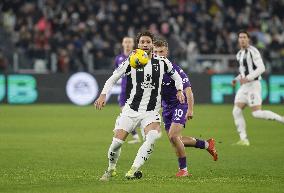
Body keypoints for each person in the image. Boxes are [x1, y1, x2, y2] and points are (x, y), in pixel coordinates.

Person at [95, 31, 185, 181]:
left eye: (148, 42)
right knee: (116, 144)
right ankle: (111, 169)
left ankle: (133, 169)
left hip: (151, 111)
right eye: (142, 42)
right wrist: (103, 94)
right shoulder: (131, 61)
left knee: (151, 137)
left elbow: (177, 77)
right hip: (131, 110)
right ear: (138, 45)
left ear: (152, 44)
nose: (145, 44)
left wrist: (180, 90)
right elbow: (113, 78)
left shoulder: (162, 62)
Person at [153, 39, 218, 177]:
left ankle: (184, 170)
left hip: (179, 105)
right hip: (166, 109)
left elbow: (188, 90)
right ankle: (207, 144)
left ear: (167, 52)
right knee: (175, 140)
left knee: (173, 136)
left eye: (161, 51)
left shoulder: (175, 70)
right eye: (156, 52)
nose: (159, 54)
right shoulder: (152, 70)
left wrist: (190, 109)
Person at [232, 30, 284, 146]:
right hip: (244, 87)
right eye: (240, 37)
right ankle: (244, 139)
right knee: (236, 111)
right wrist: (236, 79)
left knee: (256, 113)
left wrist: (248, 78)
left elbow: (261, 68)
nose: (242, 39)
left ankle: (281, 119)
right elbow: (243, 73)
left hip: (254, 86)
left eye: (244, 37)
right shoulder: (239, 54)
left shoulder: (253, 51)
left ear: (248, 39)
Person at [114, 36, 141, 144]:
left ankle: (145, 129)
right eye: (126, 42)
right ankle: (136, 136)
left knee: (133, 115)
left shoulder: (138, 57)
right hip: (123, 90)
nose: (128, 44)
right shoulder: (118, 59)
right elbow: (117, 72)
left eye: (129, 42)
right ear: (122, 43)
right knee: (125, 114)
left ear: (133, 44)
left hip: (135, 90)